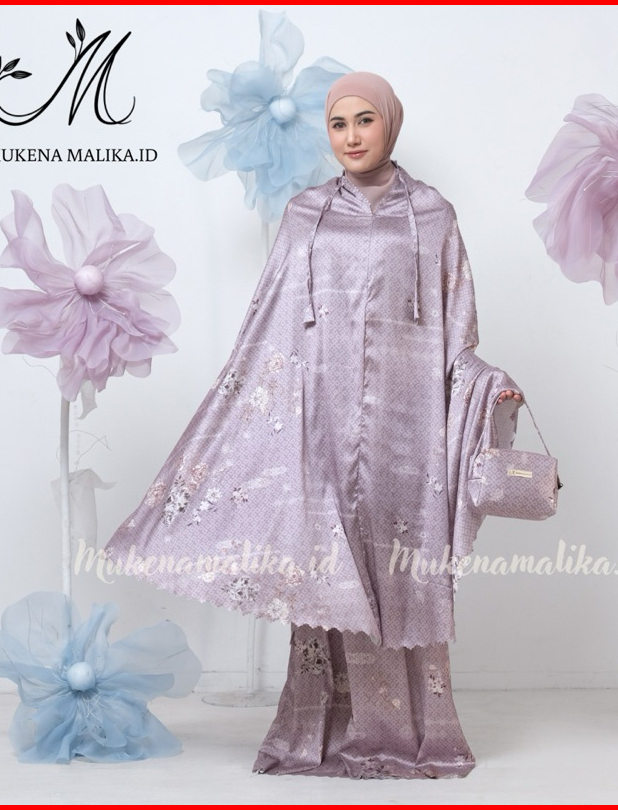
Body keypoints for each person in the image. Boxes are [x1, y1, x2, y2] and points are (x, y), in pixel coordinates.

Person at [104, 72, 522, 779]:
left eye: (365, 120)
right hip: (320, 424)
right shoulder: (306, 214)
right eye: (338, 124)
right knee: (327, 576)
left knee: (400, 572)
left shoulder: (432, 215)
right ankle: (320, 733)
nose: (352, 137)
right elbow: (268, 321)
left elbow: (459, 332)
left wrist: (486, 386)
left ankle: (409, 734)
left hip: (408, 432)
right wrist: (258, 412)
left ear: (389, 123)